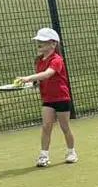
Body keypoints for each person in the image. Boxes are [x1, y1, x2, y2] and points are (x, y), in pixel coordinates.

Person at [16, 28, 76, 167]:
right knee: (46, 126)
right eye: (39, 41)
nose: (39, 44)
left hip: (61, 97)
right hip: (48, 99)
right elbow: (41, 79)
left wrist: (29, 77)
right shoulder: (39, 61)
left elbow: (48, 74)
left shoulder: (57, 60)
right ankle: (44, 156)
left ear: (53, 44)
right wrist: (32, 82)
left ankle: (71, 152)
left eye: (42, 41)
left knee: (64, 126)